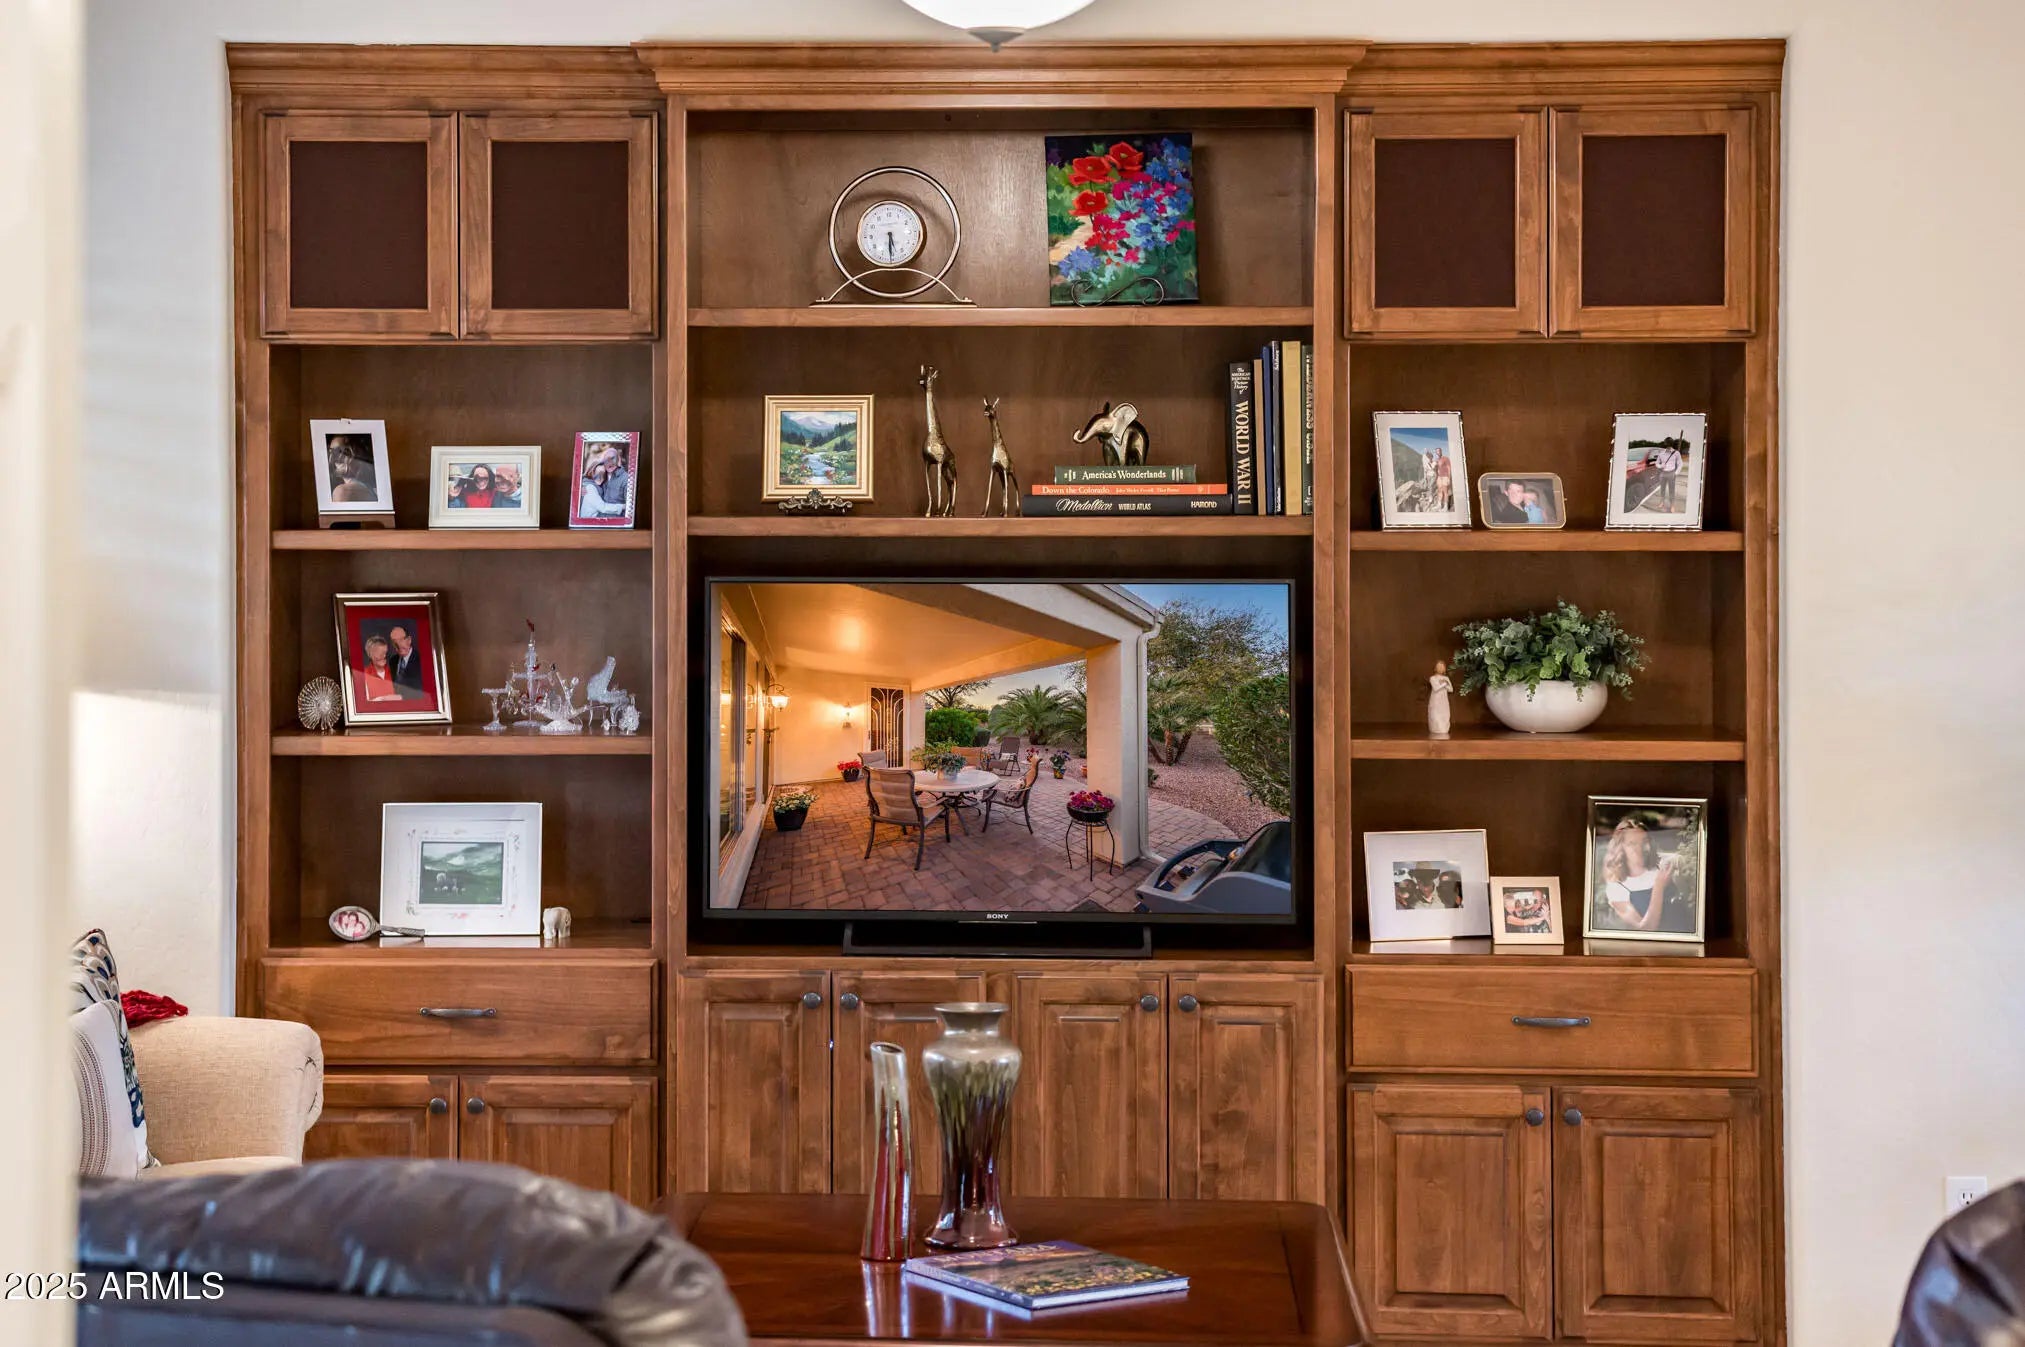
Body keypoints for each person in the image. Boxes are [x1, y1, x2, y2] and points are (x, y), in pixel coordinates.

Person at [1601, 816, 1676, 931]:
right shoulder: (1617, 888)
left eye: (1644, 841)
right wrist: (1659, 887)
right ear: (1620, 848)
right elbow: (1647, 928)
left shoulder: (1663, 865)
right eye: (1632, 843)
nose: (1640, 848)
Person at [577, 443, 632, 518]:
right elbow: (603, 507)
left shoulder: (604, 484)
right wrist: (623, 506)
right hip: (591, 521)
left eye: (603, 474)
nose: (600, 477)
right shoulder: (590, 487)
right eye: (597, 451)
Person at [326, 434, 378, 504]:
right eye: (331, 452)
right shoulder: (371, 489)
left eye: (339, 451)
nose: (331, 458)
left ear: (357, 453)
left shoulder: (343, 491)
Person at [356, 634, 402, 703]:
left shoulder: (396, 673)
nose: (384, 656)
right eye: (379, 653)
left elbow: (406, 697)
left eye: (385, 652)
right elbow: (361, 704)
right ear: (370, 654)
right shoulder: (362, 675)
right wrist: (383, 699)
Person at [387, 623, 424, 696]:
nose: (398, 645)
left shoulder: (421, 660)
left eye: (401, 640)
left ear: (409, 640)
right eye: (394, 641)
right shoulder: (393, 661)